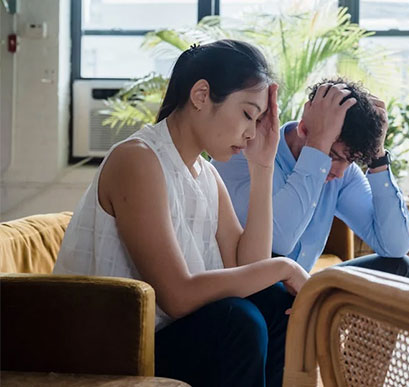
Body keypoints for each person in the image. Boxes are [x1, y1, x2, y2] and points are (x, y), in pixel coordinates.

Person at [53, 40, 310, 387]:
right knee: (238, 321)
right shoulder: (138, 159)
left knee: (276, 305)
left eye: (259, 120)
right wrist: (286, 266)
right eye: (248, 114)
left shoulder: (205, 174)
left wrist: (262, 166)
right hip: (115, 347)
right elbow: (177, 296)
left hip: (171, 337)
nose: (251, 133)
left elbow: (248, 267)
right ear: (201, 95)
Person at [214, 77, 409, 280]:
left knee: (402, 269)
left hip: (301, 288)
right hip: (251, 287)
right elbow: (279, 242)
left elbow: (395, 246)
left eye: (351, 161)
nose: (340, 172)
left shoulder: (342, 173)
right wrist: (319, 146)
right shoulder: (247, 151)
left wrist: (377, 156)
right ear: (303, 129)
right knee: (274, 272)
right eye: (333, 156)